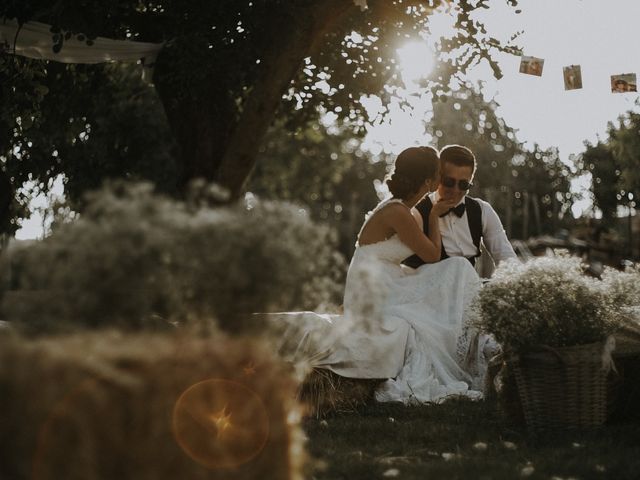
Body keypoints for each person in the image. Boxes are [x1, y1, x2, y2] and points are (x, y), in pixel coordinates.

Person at [269, 146, 490, 404]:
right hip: (373, 286)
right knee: (458, 270)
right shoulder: (397, 213)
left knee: (455, 272)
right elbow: (431, 255)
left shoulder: (400, 209)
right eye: (439, 177)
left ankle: (476, 343)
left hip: (387, 278)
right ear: (429, 181)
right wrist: (434, 216)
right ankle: (477, 346)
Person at [403, 145, 516, 273]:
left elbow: (506, 258)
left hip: (468, 289)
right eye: (449, 182)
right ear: (438, 177)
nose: (455, 190)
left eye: (463, 185)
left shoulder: (483, 210)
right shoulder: (416, 212)